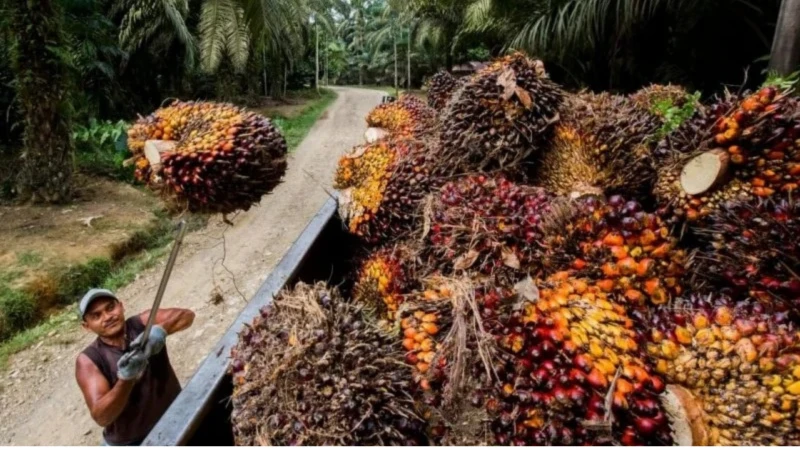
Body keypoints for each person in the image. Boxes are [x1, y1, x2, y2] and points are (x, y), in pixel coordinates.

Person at [75, 288, 195, 446]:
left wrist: (160, 330)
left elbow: (187, 316)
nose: (107, 317)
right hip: (132, 443)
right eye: (96, 316)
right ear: (87, 326)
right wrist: (126, 378)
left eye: (110, 308)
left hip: (175, 416)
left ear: (121, 306)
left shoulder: (143, 322)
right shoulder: (89, 361)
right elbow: (102, 416)